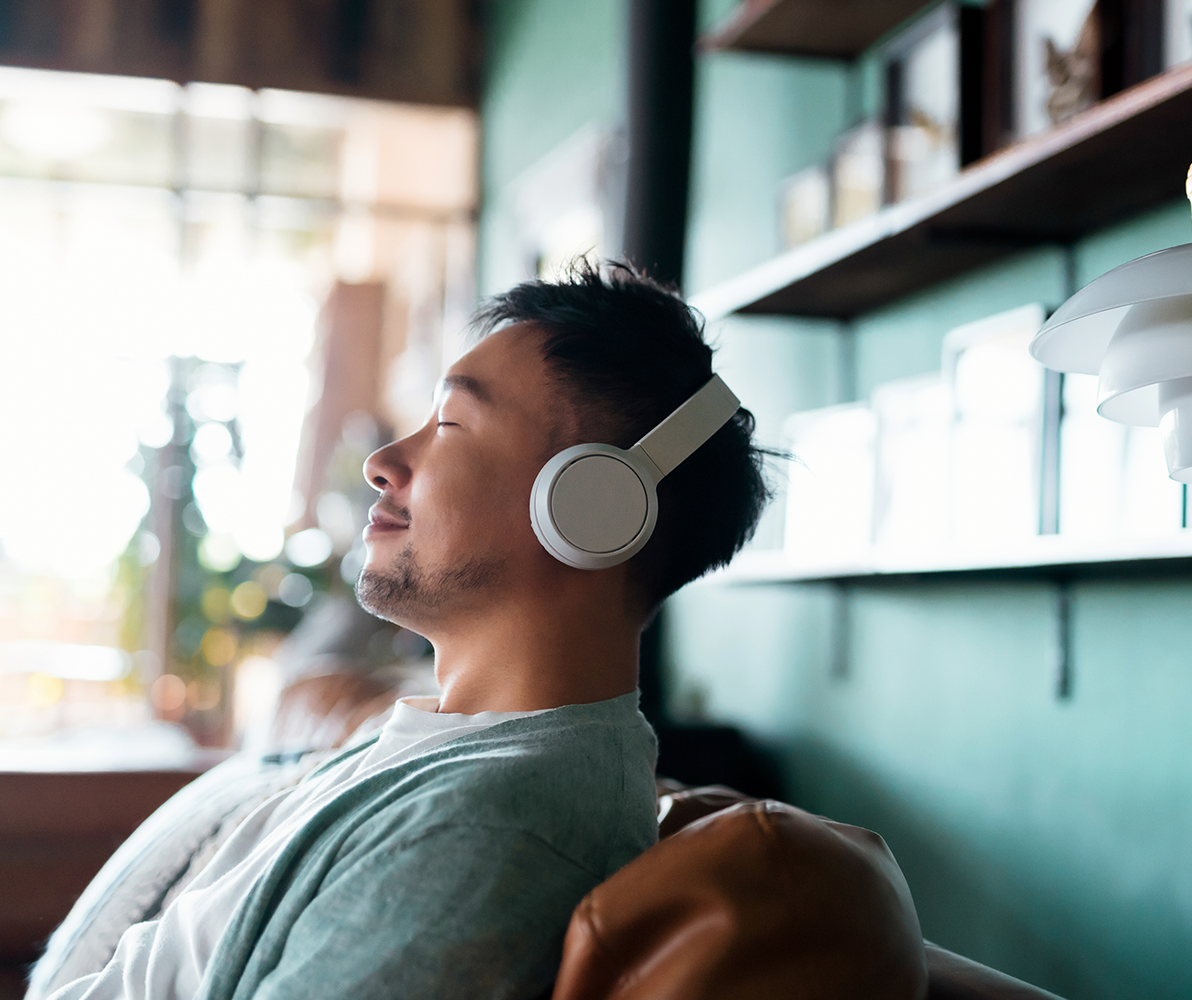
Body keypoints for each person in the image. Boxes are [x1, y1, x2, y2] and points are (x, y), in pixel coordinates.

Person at [42, 261, 771, 1000]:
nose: (382, 463)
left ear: (593, 505)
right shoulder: (438, 744)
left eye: (450, 425)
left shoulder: (489, 832)